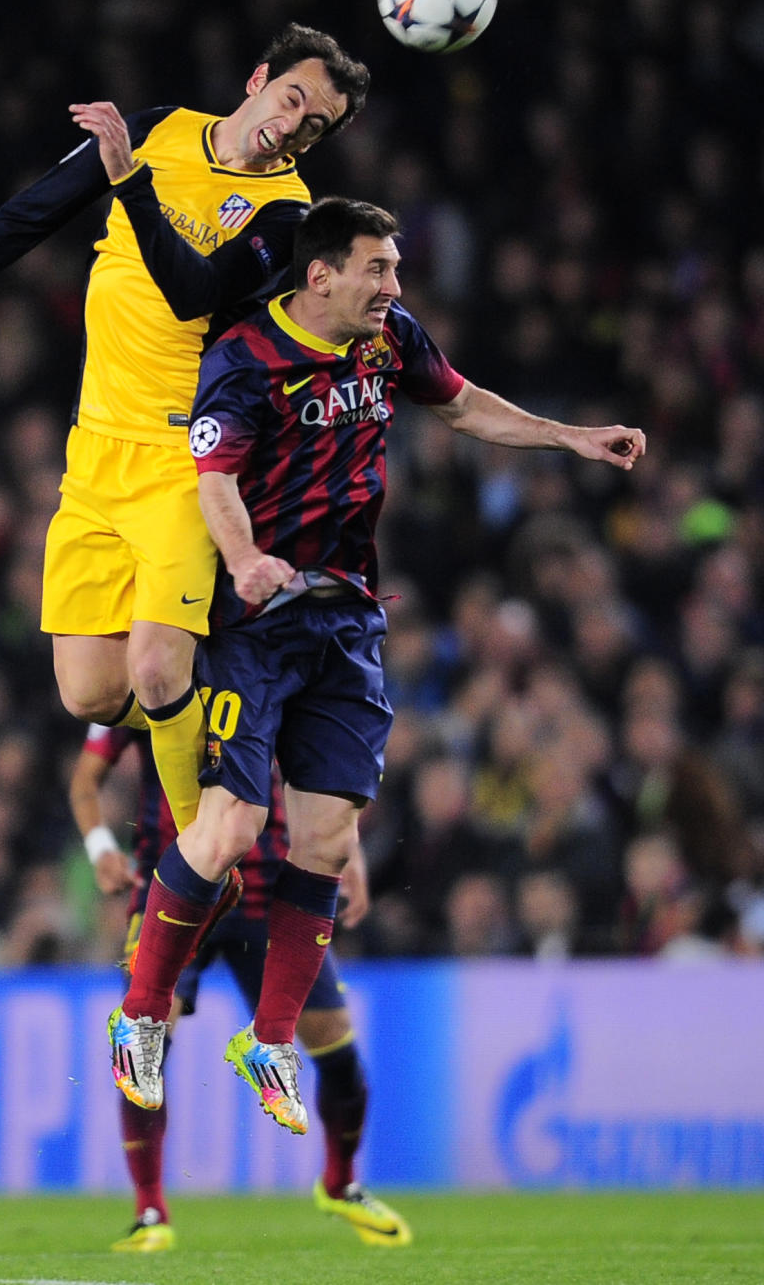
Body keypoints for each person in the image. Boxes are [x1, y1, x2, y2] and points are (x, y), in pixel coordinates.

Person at [110, 195, 646, 1132]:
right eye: (379, 269)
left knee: (324, 843)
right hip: (257, 623)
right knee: (232, 829)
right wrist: (243, 563)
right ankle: (141, 1016)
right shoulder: (244, 358)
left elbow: (466, 404)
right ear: (321, 274)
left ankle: (268, 1041)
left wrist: (571, 437)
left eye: (396, 270)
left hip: (348, 619)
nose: (395, 286)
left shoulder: (388, 337)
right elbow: (215, 481)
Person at [0, 25, 370, 852]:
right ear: (257, 80)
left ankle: (205, 852)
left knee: (157, 671)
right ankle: (234, 716)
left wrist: (131, 183)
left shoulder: (290, 214)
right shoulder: (161, 128)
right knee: (90, 695)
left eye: (316, 124)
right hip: (95, 450)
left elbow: (191, 294)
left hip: (187, 459)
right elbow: (27, 215)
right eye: (292, 98)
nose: (295, 123)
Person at [71, 723, 412, 1250]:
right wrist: (99, 849)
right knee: (145, 1041)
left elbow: (321, 779)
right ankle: (150, 1211)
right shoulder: (160, 671)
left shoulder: (277, 675)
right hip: (177, 892)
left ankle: (340, 1183)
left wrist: (352, 854)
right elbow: (86, 779)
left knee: (336, 1045)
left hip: (271, 897)